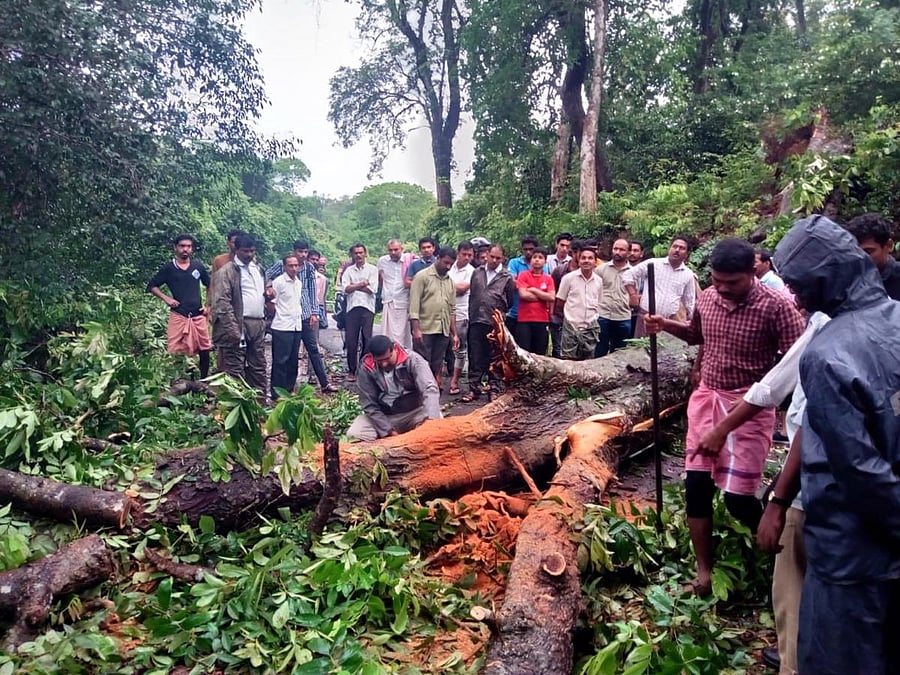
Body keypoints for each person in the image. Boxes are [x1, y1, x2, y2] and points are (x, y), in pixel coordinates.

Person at [772, 215, 900, 675]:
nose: (792, 295)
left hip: (853, 555)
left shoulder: (827, 355)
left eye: (796, 284)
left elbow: (860, 470)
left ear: (824, 280)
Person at [643, 238, 805, 597]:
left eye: (731, 282)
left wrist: (771, 394)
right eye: (716, 280)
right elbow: (697, 335)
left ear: (753, 272)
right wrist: (664, 324)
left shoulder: (777, 306)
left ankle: (776, 552)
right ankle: (704, 572)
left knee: (736, 498)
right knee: (696, 487)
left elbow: (798, 357)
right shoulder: (707, 298)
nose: (722, 288)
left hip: (750, 407)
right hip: (706, 401)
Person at [347, 335, 442, 441]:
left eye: (387, 359)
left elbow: (429, 389)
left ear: (394, 349)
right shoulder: (366, 368)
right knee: (355, 434)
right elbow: (369, 405)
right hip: (385, 416)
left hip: (415, 412)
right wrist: (388, 431)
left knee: (434, 425)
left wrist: (432, 421)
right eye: (379, 361)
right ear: (372, 356)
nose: (384, 364)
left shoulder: (413, 360)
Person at [268, 254, 338, 399]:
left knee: (293, 359)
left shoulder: (298, 283)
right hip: (282, 325)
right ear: (284, 267)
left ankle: (289, 390)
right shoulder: (278, 282)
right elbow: (271, 304)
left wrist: (313, 312)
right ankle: (276, 392)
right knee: (281, 361)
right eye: (290, 266)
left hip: (296, 325)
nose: (294, 268)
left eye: (296, 266)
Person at [211, 234, 271, 394]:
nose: (249, 255)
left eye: (252, 251)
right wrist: (233, 330)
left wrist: (269, 293)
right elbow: (222, 303)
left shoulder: (258, 269)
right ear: (236, 250)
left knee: (258, 366)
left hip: (258, 323)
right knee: (234, 368)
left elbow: (267, 288)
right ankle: (234, 407)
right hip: (238, 323)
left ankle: (259, 404)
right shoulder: (226, 272)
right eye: (245, 251)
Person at [147, 234, 212, 377]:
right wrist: (166, 298)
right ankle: (178, 380)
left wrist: (208, 306)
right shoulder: (169, 268)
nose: (185, 249)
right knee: (176, 349)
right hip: (178, 314)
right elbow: (152, 286)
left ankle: (204, 381)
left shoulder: (198, 266)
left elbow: (210, 285)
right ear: (175, 248)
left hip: (198, 315)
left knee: (204, 348)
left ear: (192, 249)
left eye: (188, 246)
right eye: (182, 246)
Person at [463, 244, 516, 402]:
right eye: (491, 256)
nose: (493, 260)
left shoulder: (506, 276)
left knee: (495, 356)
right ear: (487, 254)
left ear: (502, 259)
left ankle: (494, 388)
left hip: (494, 322)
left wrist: (499, 313)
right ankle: (474, 388)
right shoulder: (477, 272)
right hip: (476, 319)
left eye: (497, 258)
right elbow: (473, 293)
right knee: (475, 355)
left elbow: (510, 300)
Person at [623, 236, 697, 337]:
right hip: (646, 317)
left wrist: (693, 323)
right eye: (674, 246)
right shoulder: (653, 263)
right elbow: (628, 275)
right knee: (640, 348)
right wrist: (633, 295)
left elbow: (689, 302)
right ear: (669, 248)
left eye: (682, 248)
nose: (677, 250)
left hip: (669, 321)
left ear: (687, 254)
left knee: (664, 351)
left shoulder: (688, 274)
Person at [409, 246, 459, 387]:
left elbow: (452, 309)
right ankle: (418, 393)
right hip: (425, 328)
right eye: (445, 262)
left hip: (442, 329)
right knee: (421, 364)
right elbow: (414, 305)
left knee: (437, 363)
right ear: (438, 258)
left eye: (451, 264)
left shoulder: (450, 281)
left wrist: (454, 333)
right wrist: (415, 329)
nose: (448, 266)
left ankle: (430, 393)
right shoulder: (422, 277)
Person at [556, 247, 604, 360]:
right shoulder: (568, 278)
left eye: (590, 258)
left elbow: (599, 302)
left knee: (588, 361)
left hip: (590, 327)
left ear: (595, 262)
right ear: (579, 260)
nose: (586, 261)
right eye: (583, 258)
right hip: (571, 325)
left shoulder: (599, 281)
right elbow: (560, 302)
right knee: (568, 361)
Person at [341, 243, 379, 383]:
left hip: (368, 308)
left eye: (361, 252)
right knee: (351, 340)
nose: (358, 255)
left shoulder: (373, 269)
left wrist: (354, 286)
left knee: (367, 339)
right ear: (352, 255)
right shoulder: (348, 271)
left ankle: (365, 368)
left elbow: (373, 289)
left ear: (365, 253)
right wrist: (362, 284)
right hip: (352, 308)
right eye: (356, 253)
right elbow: (345, 288)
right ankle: (352, 370)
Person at [845, 212, 900, 299]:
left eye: (868, 252)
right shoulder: (845, 281)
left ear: (888, 246)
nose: (860, 257)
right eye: (855, 252)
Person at [445, 241, 475, 395]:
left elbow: (462, 289)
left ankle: (454, 381)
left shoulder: (472, 271)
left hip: (462, 313)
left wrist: (444, 285)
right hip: (443, 312)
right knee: (443, 347)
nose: (467, 258)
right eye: (464, 254)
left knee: (459, 349)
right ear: (458, 253)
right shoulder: (449, 266)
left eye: (470, 255)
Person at [595, 238, 633, 356]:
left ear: (628, 252)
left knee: (619, 351)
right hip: (603, 315)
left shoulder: (634, 272)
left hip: (623, 316)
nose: (617, 252)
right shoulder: (600, 270)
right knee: (599, 349)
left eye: (622, 250)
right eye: (615, 249)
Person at [515, 247, 555, 355]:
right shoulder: (523, 275)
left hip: (542, 320)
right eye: (534, 257)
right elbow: (523, 295)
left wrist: (533, 290)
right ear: (531, 260)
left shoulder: (548, 279)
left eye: (540, 257)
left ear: (545, 261)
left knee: (540, 353)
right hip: (524, 320)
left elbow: (552, 297)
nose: (537, 260)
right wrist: (543, 296)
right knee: (524, 353)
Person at [377, 239, 415, 349]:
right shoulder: (382, 261)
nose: (393, 252)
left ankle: (402, 359)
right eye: (390, 250)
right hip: (389, 301)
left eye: (396, 250)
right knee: (387, 334)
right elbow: (380, 278)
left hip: (404, 301)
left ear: (402, 249)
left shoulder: (410, 261)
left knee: (403, 335)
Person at [550, 240, 582, 357]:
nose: (584, 259)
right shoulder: (560, 271)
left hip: (580, 319)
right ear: (573, 253)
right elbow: (553, 293)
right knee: (559, 352)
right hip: (560, 317)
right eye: (581, 254)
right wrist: (552, 315)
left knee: (579, 351)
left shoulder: (590, 273)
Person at [506, 235, 544, 330]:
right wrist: (537, 292)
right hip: (515, 313)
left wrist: (523, 286)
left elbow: (546, 289)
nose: (528, 252)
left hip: (537, 315)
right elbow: (512, 284)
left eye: (531, 249)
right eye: (525, 249)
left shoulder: (544, 266)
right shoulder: (514, 263)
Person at [627, 240, 645, 337]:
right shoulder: (620, 269)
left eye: (635, 250)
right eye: (630, 250)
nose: (632, 253)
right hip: (623, 313)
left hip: (640, 313)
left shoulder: (646, 271)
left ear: (641, 254)